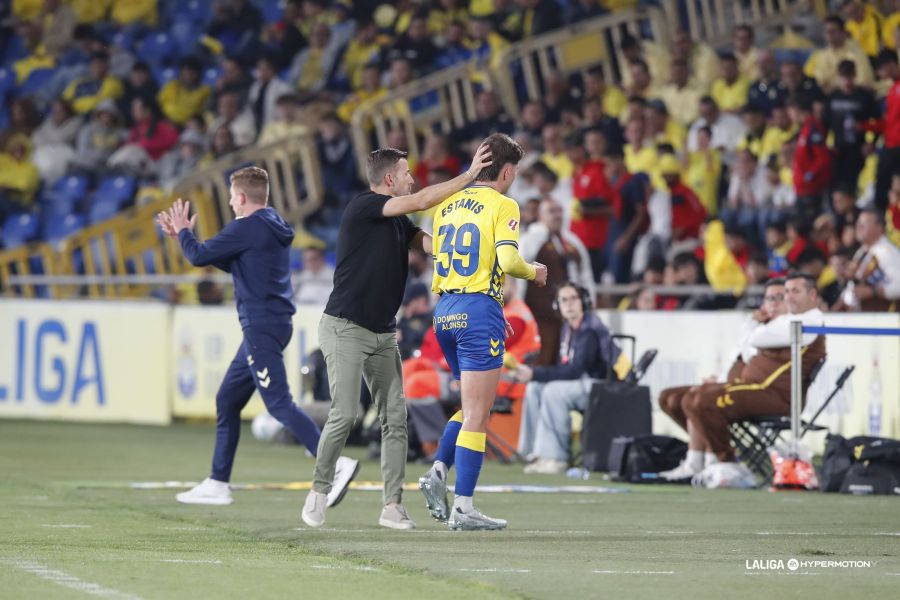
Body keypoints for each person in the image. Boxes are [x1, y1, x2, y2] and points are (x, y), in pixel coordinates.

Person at [301, 143, 493, 530]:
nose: (412, 178)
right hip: (345, 327)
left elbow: (430, 244)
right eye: (406, 172)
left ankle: (392, 506)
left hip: (383, 333)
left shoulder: (397, 222)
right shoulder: (364, 206)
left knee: (394, 419)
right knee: (345, 413)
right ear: (389, 179)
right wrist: (469, 176)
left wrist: (471, 250)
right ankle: (319, 490)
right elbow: (422, 199)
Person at [155, 167, 356, 508]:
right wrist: (185, 238)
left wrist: (186, 233)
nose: (232, 203)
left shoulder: (246, 227)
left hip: (261, 326)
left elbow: (199, 256)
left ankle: (335, 463)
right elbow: (238, 264)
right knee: (227, 400)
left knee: (278, 403)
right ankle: (218, 483)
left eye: (233, 197)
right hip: (269, 325)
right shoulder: (271, 224)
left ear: (243, 198)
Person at [418, 133, 548, 531]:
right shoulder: (504, 204)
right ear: (507, 171)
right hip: (477, 310)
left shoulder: (447, 204)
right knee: (479, 414)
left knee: (471, 405)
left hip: (446, 310)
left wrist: (489, 309)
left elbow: (439, 255)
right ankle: (464, 506)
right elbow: (508, 260)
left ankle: (439, 468)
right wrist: (534, 271)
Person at [661, 273, 826, 478]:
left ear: (812, 295)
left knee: (701, 400)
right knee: (676, 397)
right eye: (787, 292)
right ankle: (700, 461)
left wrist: (754, 327)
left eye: (794, 292)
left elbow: (755, 340)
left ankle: (725, 462)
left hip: (774, 395)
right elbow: (743, 352)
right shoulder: (784, 322)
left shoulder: (809, 322)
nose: (788, 298)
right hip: (753, 389)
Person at [515, 282, 627, 474]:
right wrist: (537, 376)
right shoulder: (569, 328)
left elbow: (575, 370)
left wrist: (536, 373)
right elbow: (566, 368)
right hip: (584, 382)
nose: (569, 304)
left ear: (583, 301)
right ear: (557, 305)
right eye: (563, 300)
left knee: (554, 391)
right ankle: (535, 452)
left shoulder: (589, 329)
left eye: (573, 298)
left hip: (602, 385)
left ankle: (556, 458)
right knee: (535, 388)